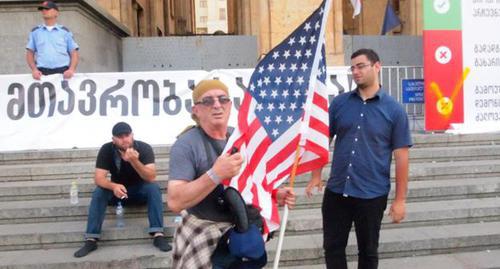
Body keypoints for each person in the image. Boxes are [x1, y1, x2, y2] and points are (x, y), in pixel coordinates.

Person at [167, 79, 296, 268]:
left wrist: (276, 194)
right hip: (204, 234)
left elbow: (250, 180)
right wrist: (215, 174)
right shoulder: (186, 145)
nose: (217, 105)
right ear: (196, 110)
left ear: (229, 105)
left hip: (241, 236)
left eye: (223, 99)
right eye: (208, 101)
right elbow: (174, 201)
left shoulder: (239, 136)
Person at [306, 48, 412, 269]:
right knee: (333, 248)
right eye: (352, 67)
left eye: (361, 66)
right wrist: (315, 175)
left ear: (377, 66)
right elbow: (322, 139)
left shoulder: (394, 110)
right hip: (337, 191)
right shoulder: (339, 103)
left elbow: (402, 158)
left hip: (372, 194)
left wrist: (400, 200)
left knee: (368, 252)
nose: (355, 71)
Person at [74, 122, 171, 258]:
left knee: (153, 188)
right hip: (117, 193)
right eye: (120, 136)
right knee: (99, 191)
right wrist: (113, 186)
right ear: (113, 139)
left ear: (132, 135)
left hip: (139, 192)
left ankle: (158, 234)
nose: (124, 139)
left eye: (127, 135)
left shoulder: (144, 148)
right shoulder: (107, 149)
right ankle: (91, 239)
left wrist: (134, 161)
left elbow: (151, 177)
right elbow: (98, 178)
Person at [26, 1, 79, 80]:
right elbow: (30, 53)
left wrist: (71, 70)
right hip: (42, 72)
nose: (44, 11)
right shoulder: (35, 32)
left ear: (56, 13)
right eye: (42, 9)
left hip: (62, 72)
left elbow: (74, 53)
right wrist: (34, 70)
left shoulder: (65, 32)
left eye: (47, 9)